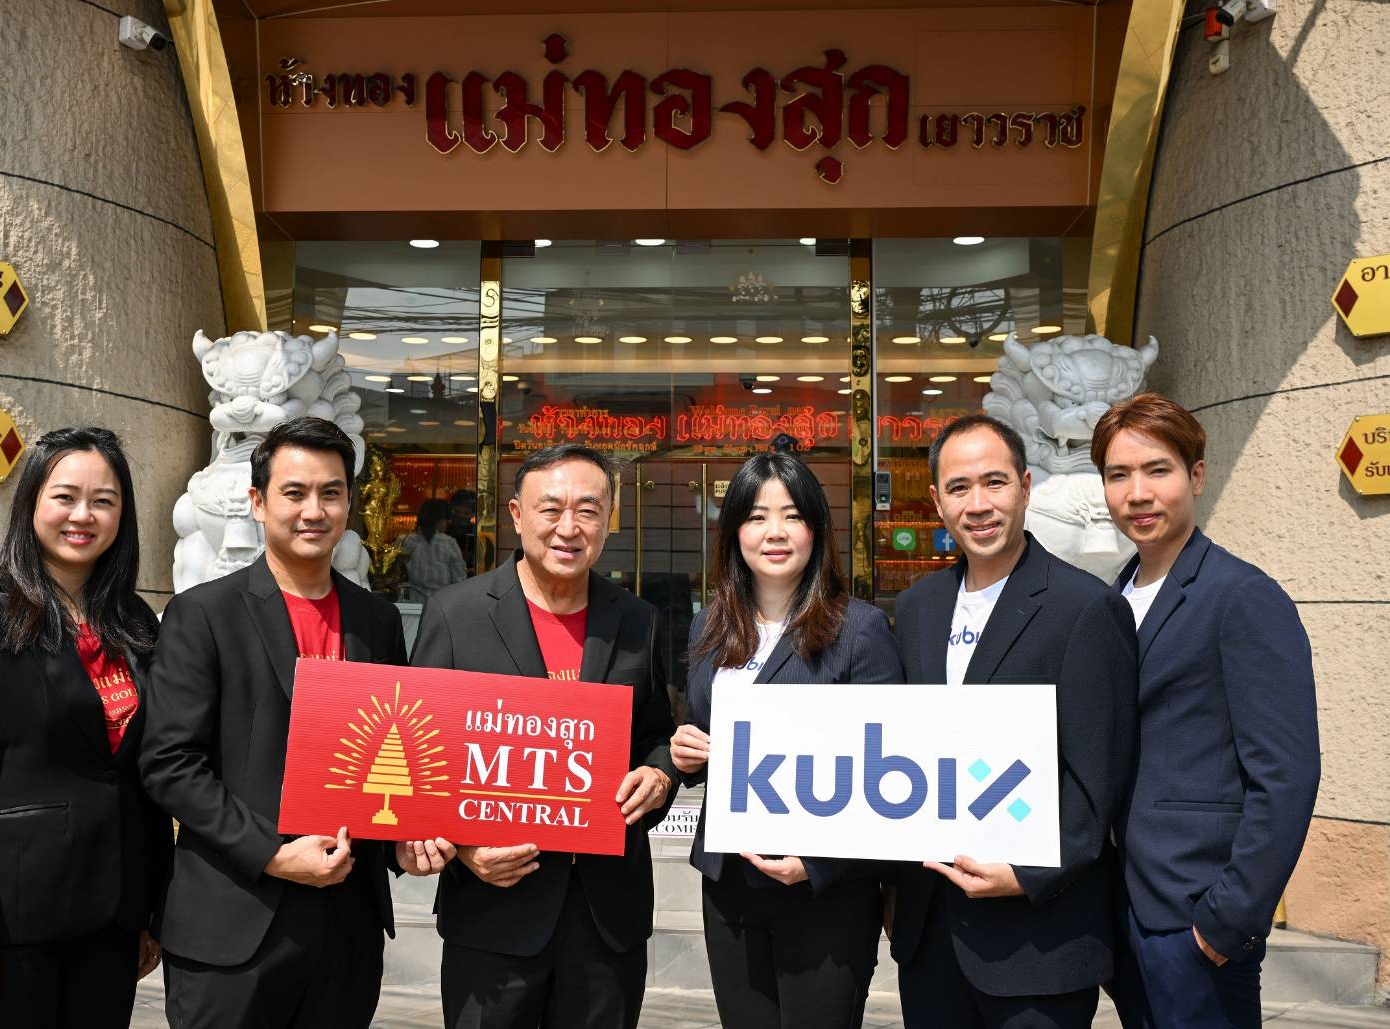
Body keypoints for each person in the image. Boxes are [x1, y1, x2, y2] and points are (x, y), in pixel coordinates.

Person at [139, 417, 454, 1029]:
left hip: (346, 927)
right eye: (294, 493)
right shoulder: (204, 614)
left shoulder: (378, 620)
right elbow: (169, 764)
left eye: (331, 493)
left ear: (349, 504)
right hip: (234, 925)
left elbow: (388, 753)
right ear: (258, 503)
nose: (314, 510)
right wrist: (272, 854)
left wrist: (403, 842)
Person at [411, 443, 677, 1029]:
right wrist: (465, 850)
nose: (569, 527)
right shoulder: (456, 614)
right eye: (551, 509)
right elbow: (420, 754)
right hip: (494, 912)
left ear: (609, 520)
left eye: (588, 510)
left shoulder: (637, 619)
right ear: (516, 515)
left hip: (606, 919)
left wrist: (660, 774)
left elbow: (657, 734)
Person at [0, 427, 171, 1027]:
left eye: (103, 501)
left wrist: (148, 910)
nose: (83, 515)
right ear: (31, 503)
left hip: (110, 925)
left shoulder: (136, 624)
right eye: (65, 497)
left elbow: (143, 776)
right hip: (7, 927)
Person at [889, 414, 1139, 1029]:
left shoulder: (1087, 608)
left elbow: (1098, 780)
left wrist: (1026, 875)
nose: (978, 504)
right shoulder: (917, 608)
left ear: (1026, 487)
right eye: (959, 487)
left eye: (994, 482)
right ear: (938, 503)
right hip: (931, 937)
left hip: (1039, 940)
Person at [1093, 393, 1319, 1029]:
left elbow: (1286, 774)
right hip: (1122, 907)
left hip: (1195, 917)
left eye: (1157, 470)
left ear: (1196, 476)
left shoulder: (1242, 596)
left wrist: (1230, 917)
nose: (1138, 493)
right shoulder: (1111, 597)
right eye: (1118, 474)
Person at [668, 451, 902, 1029]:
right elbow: (714, 738)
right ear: (734, 532)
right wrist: (689, 755)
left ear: (816, 529)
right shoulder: (708, 626)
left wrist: (818, 863)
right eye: (756, 516)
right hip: (730, 884)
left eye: (792, 515)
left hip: (823, 892)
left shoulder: (859, 629)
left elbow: (891, 771)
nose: (774, 532)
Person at [402, 497, 468, 601]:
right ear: (439, 520)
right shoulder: (448, 543)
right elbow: (459, 578)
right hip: (442, 602)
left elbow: (400, 573)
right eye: (446, 519)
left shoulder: (408, 541)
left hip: (414, 601)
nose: (448, 523)